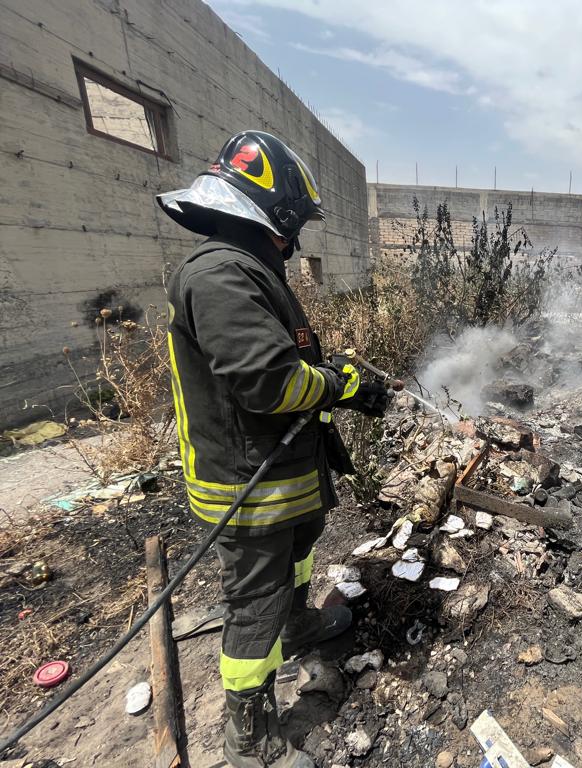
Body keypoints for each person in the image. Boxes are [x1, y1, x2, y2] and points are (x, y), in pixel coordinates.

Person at [156, 131, 390, 768]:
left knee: (298, 554)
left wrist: (332, 368)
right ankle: (250, 736)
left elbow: (281, 360)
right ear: (277, 214)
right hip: (246, 485)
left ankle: (299, 625)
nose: (297, 242)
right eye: (296, 227)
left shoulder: (244, 266)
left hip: (279, 476)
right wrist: (343, 384)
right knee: (253, 605)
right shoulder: (222, 273)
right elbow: (270, 382)